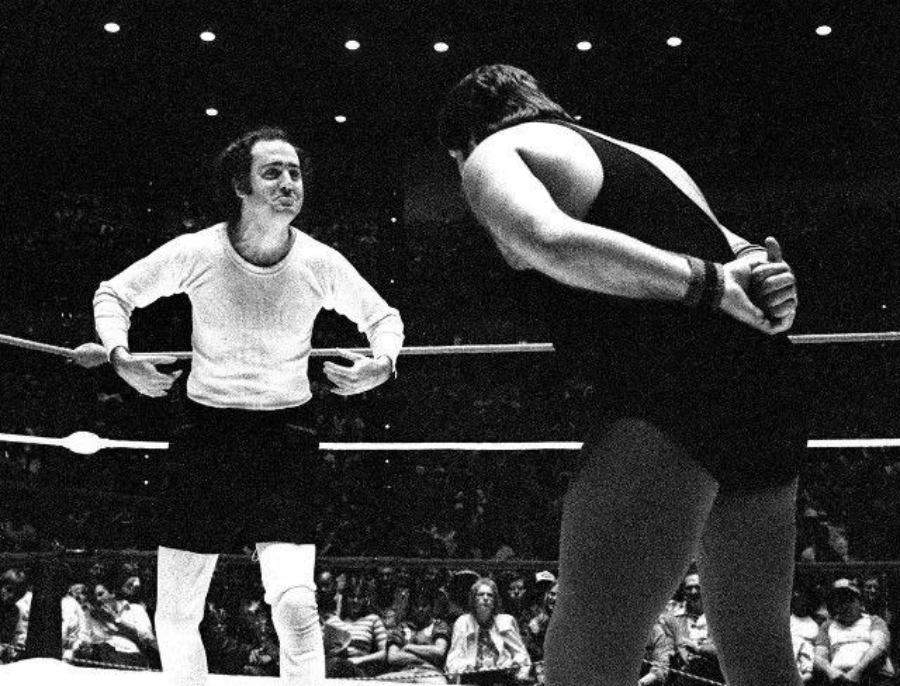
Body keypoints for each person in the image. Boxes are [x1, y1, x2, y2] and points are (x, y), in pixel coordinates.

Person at [439, 64, 806, 686]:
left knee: (588, 656)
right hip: (767, 384)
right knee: (757, 647)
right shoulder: (651, 158)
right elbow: (741, 247)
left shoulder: (496, 153)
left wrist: (709, 282)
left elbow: (543, 239)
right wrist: (759, 274)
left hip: (677, 384)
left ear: (460, 143)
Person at [93, 126, 404, 685]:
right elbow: (114, 292)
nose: (289, 183)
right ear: (241, 185)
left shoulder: (319, 261)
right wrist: (120, 356)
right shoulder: (198, 251)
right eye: (273, 173)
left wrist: (382, 364)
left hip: (285, 438)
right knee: (178, 613)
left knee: (297, 610)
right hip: (205, 433)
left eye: (295, 173)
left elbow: (384, 318)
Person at [446, 577, 531, 684]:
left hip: (502, 678)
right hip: (473, 679)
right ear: (473, 599)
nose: (485, 598)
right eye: (480, 594)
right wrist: (469, 667)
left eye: (490, 595)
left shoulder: (505, 621)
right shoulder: (463, 622)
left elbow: (521, 654)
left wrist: (515, 664)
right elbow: (453, 660)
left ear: (494, 600)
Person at [813, 579, 894, 686]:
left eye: (850, 599)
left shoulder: (874, 620)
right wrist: (832, 672)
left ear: (860, 602)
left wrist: (856, 672)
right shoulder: (827, 626)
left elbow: (879, 646)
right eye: (840, 600)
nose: (845, 604)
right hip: (839, 679)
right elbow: (819, 657)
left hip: (872, 677)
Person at [660, 571, 723, 686]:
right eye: (689, 588)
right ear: (683, 591)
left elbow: (724, 650)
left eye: (698, 587)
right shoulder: (672, 613)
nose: (694, 592)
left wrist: (698, 648)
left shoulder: (719, 615)